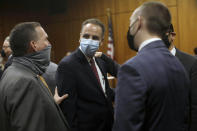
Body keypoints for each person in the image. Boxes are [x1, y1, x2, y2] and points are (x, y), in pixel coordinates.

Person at [113, 2, 189, 131]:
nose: (130, 30)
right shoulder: (179, 64)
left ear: (139, 22)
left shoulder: (132, 69)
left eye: (130, 25)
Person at [0, 22, 70, 131]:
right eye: (46, 39)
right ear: (34, 45)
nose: (49, 44)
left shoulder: (12, 71)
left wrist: (51, 104)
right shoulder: (24, 82)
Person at [56, 18, 120, 131]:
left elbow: (104, 92)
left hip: (109, 125)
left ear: (101, 41)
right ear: (80, 37)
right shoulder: (67, 65)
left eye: (95, 38)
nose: (90, 40)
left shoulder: (101, 61)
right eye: (86, 36)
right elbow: (68, 110)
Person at [164, 24, 197, 131]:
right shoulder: (145, 64)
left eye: (162, 33)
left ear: (172, 35)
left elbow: (195, 106)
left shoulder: (191, 63)